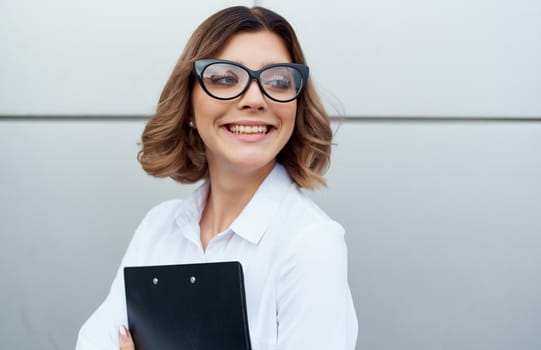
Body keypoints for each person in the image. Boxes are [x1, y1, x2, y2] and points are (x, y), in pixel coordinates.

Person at [76, 5, 357, 350]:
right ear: (190, 108)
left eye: (278, 82)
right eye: (225, 78)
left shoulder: (310, 242)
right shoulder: (157, 229)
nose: (254, 99)